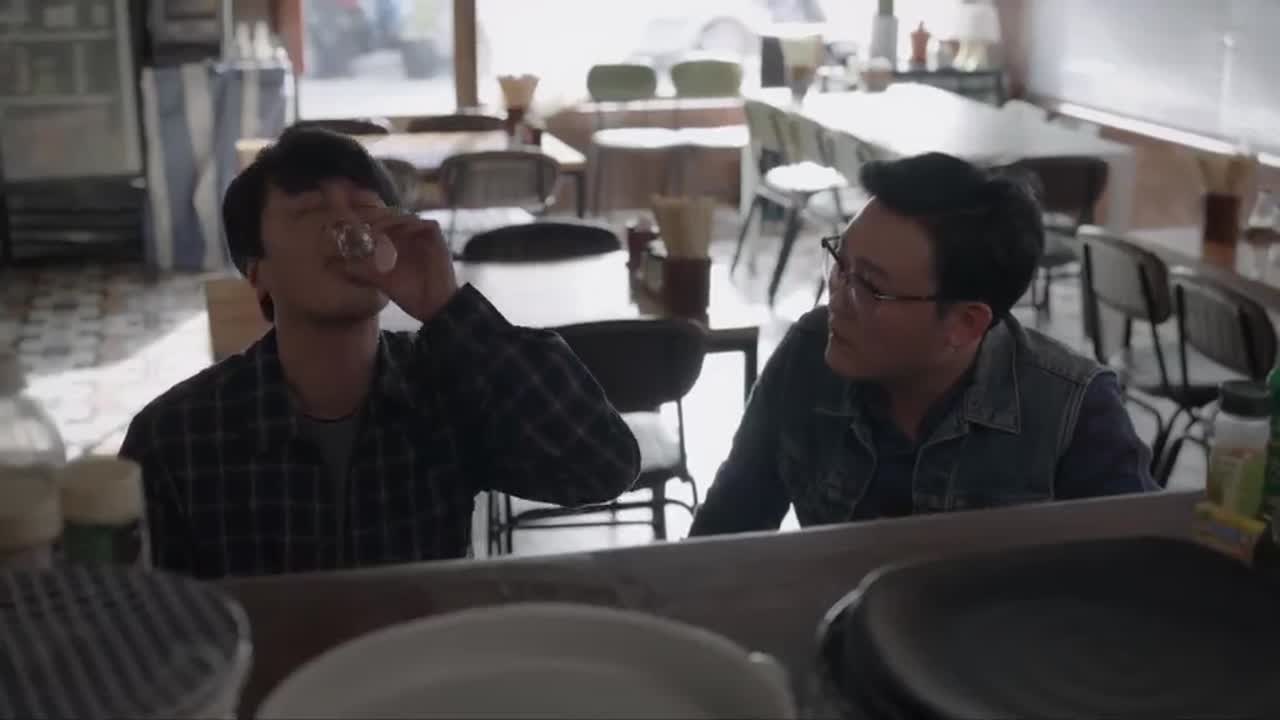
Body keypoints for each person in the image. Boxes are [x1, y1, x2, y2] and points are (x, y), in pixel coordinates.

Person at [120, 126, 640, 578]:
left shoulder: (447, 387)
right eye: (309, 211)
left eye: (367, 208)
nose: (348, 227)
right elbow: (147, 620)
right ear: (257, 271)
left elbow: (602, 466)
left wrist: (448, 308)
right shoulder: (177, 437)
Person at [690, 152, 1155, 537]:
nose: (837, 298)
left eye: (869, 285)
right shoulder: (808, 355)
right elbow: (724, 533)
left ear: (965, 324)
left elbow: (1138, 576)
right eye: (840, 262)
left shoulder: (1072, 410)